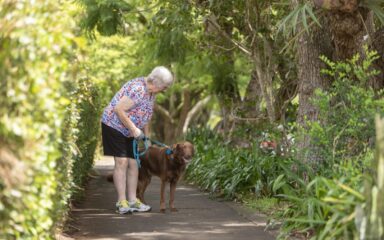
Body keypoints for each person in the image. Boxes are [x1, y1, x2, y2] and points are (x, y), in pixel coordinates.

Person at [101, 66, 174, 214]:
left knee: (134, 163)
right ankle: (122, 202)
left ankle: (133, 201)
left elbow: (145, 115)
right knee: (122, 162)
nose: (164, 90)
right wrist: (135, 130)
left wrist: (146, 137)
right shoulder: (138, 89)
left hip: (129, 129)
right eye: (164, 87)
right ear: (156, 83)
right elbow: (119, 110)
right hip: (114, 125)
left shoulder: (151, 93)